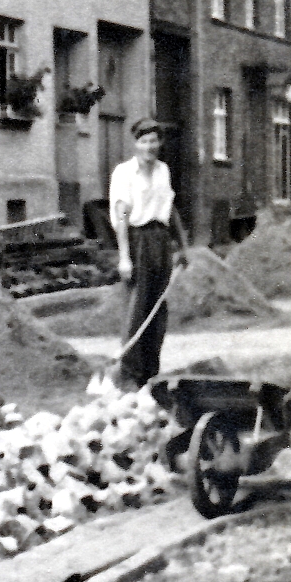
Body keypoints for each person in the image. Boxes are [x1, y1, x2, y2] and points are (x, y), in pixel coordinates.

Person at [109, 118, 190, 388]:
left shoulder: (163, 171)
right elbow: (122, 217)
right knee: (137, 307)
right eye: (144, 141)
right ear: (135, 144)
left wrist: (182, 245)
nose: (149, 146)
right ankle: (130, 374)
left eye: (154, 140)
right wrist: (124, 257)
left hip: (161, 240)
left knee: (158, 308)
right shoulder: (124, 173)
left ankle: (150, 374)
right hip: (137, 240)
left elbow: (171, 208)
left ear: (160, 143)